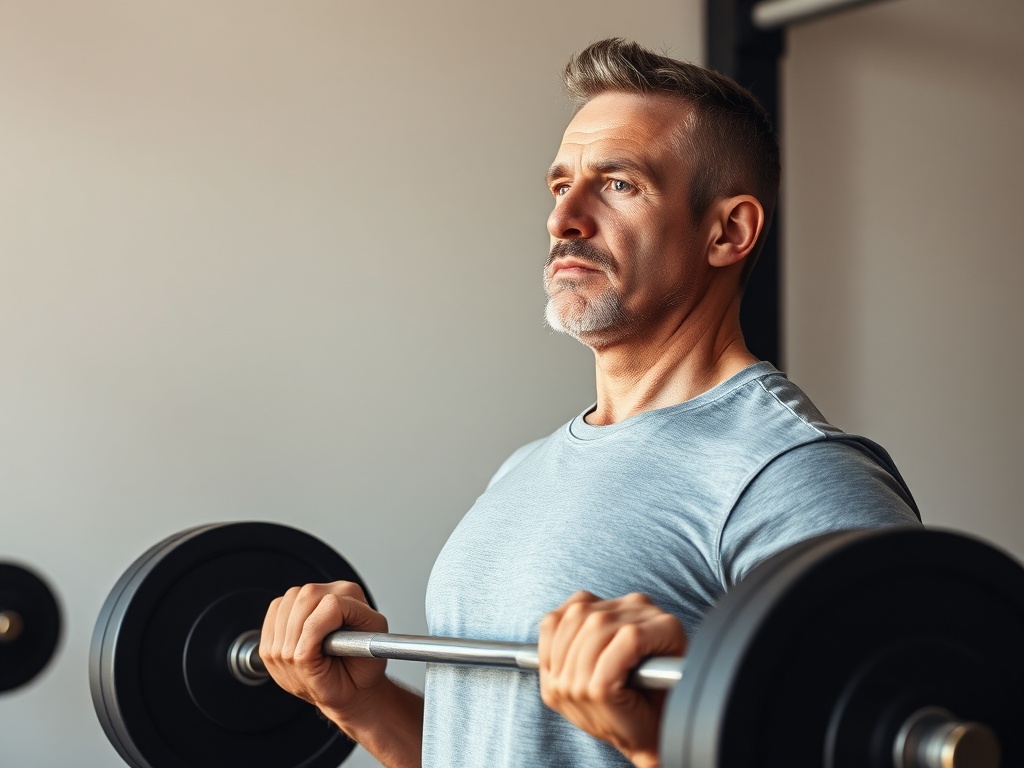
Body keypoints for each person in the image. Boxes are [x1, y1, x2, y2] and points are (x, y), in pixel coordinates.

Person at [259, 38, 920, 768]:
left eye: (619, 184)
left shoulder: (793, 477)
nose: (563, 219)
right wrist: (359, 702)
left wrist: (655, 740)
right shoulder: (525, 469)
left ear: (727, 231)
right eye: (559, 185)